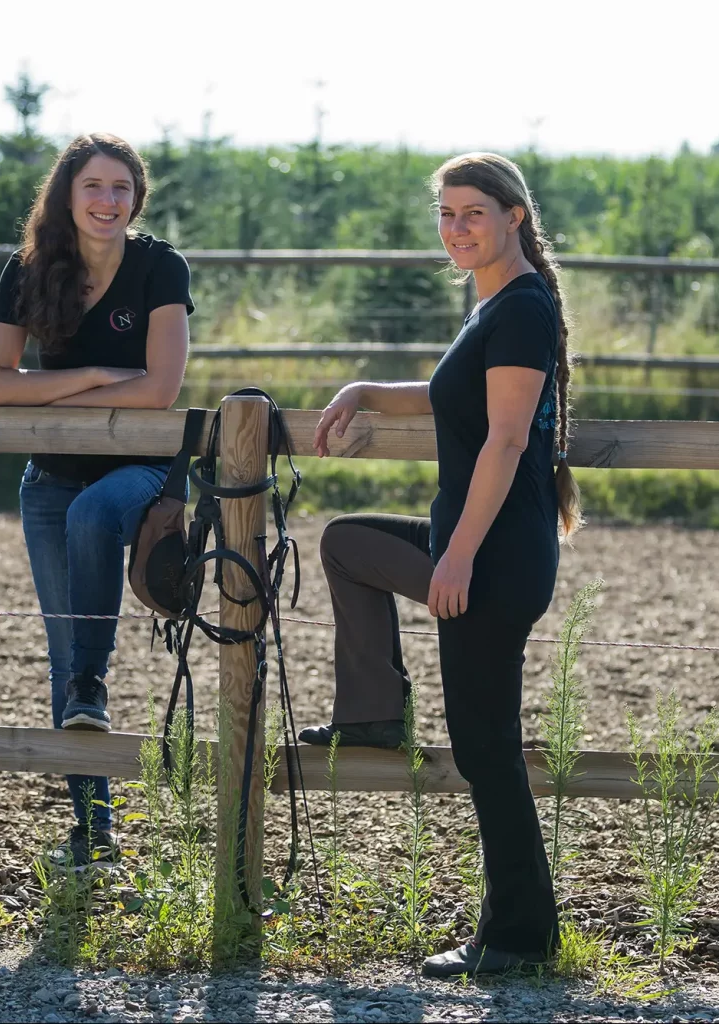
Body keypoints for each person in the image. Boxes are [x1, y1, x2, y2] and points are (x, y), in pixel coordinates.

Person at [300, 152, 583, 976]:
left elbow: (502, 437)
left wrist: (453, 558)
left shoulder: (522, 308)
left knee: (483, 747)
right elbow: (457, 398)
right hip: (475, 543)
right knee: (346, 542)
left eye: (472, 213)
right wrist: (365, 390)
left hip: (491, 554)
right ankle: (373, 710)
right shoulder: (498, 306)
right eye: (446, 214)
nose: (456, 228)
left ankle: (519, 937)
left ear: (513, 218)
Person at [0, 133, 193, 870]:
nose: (107, 201)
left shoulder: (159, 266)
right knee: (60, 652)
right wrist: (98, 375)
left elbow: (161, 390)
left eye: (121, 189)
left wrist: (71, 385)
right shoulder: (30, 271)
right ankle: (93, 826)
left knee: (93, 515)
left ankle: (92, 679)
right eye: (93, 187)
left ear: (137, 198)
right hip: (49, 476)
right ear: (67, 195)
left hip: (140, 468)